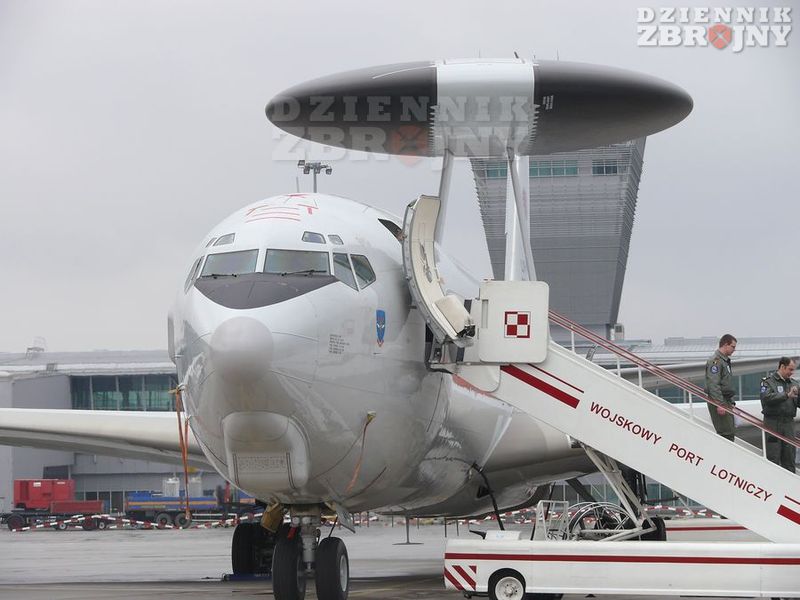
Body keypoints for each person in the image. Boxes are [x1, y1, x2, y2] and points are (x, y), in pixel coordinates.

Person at [760, 357, 799, 473]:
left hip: (788, 424)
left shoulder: (794, 383)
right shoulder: (767, 382)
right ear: (782, 366)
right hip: (772, 423)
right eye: (790, 369)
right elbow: (766, 398)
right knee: (773, 456)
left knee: (789, 457)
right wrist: (787, 395)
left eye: (793, 370)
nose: (792, 373)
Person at [704, 334, 737, 440]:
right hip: (720, 400)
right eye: (733, 347)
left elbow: (727, 384)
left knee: (730, 431)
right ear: (725, 344)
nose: (734, 350)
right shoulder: (716, 361)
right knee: (726, 433)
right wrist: (719, 404)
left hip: (726, 400)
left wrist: (731, 402)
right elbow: (713, 384)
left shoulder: (724, 361)